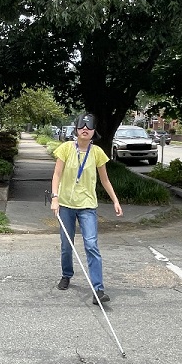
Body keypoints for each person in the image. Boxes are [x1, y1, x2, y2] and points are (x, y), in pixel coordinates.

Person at [50, 112, 123, 304]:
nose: (85, 130)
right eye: (82, 127)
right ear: (76, 129)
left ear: (93, 132)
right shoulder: (65, 148)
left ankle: (98, 289)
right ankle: (66, 274)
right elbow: (56, 175)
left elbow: (105, 180)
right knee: (67, 245)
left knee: (91, 245)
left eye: (89, 127)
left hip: (88, 206)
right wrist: (54, 197)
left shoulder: (97, 153)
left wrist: (115, 200)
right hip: (65, 204)